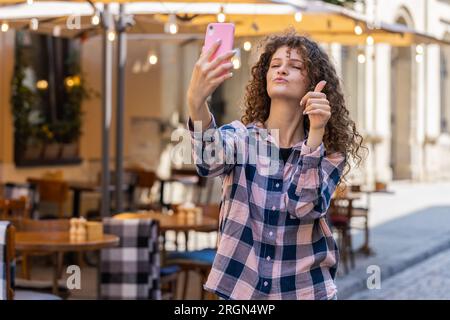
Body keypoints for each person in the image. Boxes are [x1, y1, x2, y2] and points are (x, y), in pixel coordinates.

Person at [186, 31, 364, 300]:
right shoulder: (241, 139)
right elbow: (209, 162)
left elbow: (304, 206)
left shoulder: (329, 154)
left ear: (313, 82)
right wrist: (195, 102)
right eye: (275, 64)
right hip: (241, 290)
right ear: (264, 77)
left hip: (304, 291)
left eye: (295, 66)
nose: (282, 70)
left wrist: (315, 134)